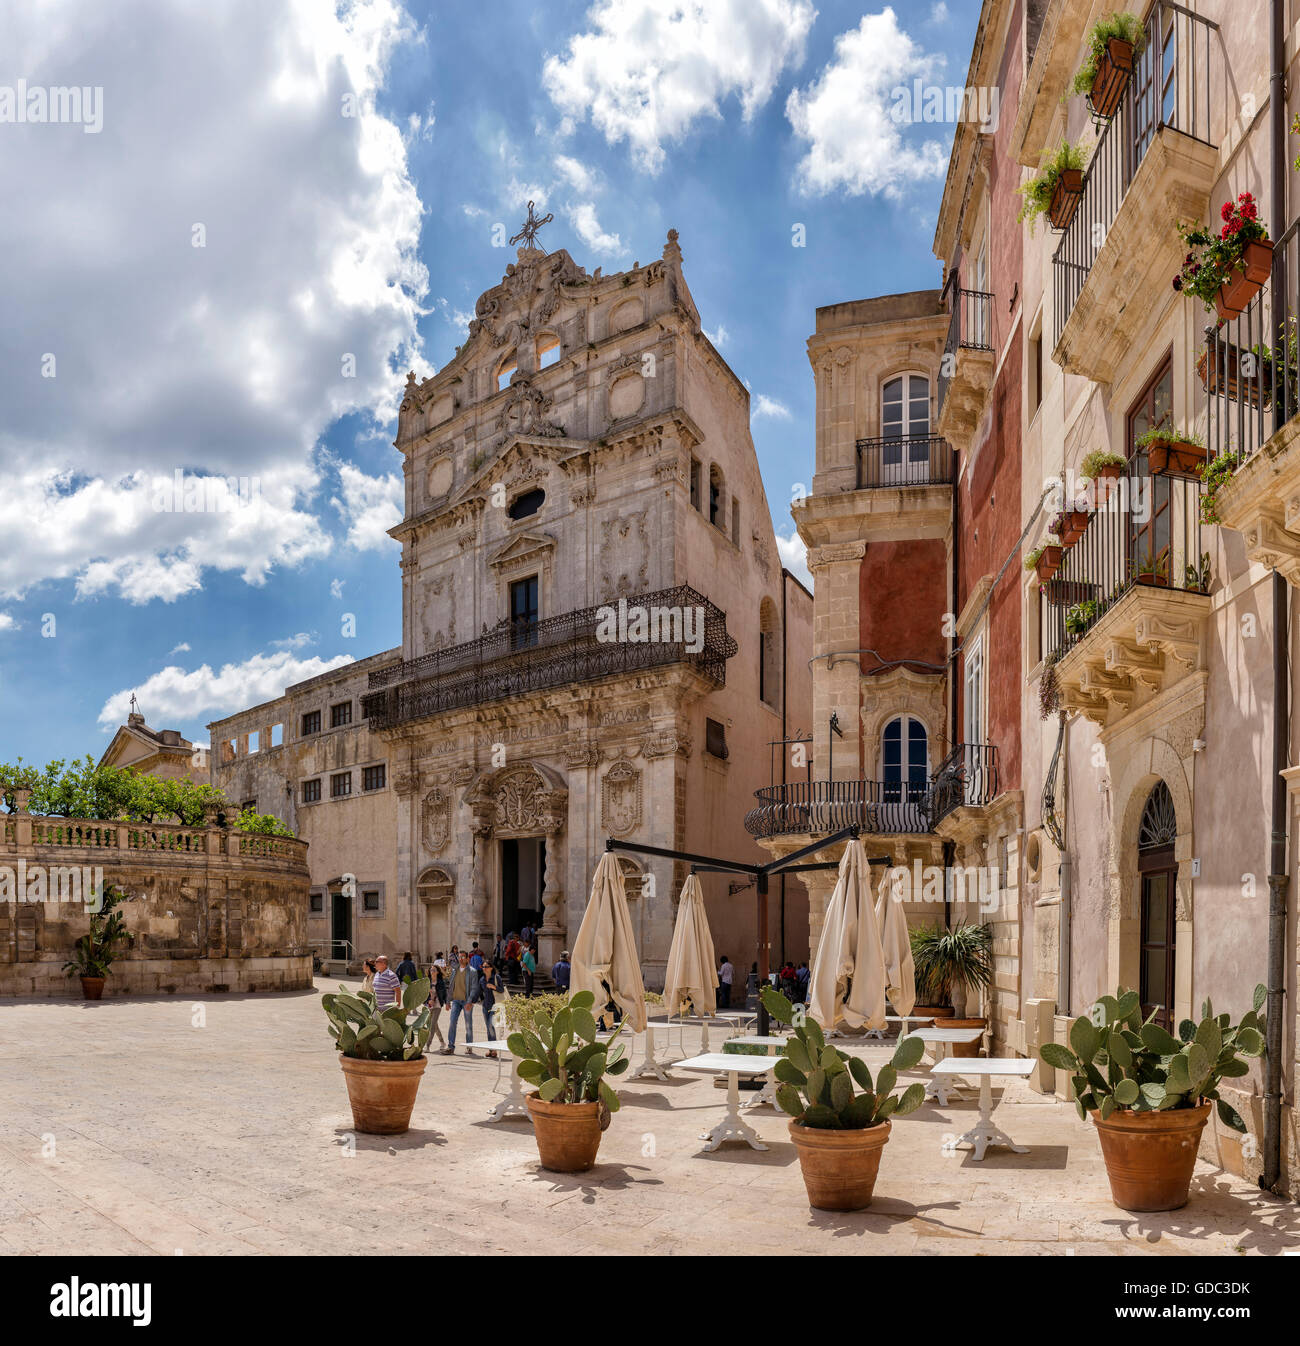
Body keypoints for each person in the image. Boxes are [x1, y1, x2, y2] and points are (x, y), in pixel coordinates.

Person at [442, 950, 477, 1056]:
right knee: (452, 1022)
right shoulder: (454, 971)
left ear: (467, 959)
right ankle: (450, 1046)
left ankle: (469, 1047)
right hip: (456, 1001)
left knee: (468, 1024)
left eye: (463, 957)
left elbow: (474, 988)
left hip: (467, 1001)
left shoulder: (472, 971)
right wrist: (448, 1002)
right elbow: (451, 987)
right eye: (459, 957)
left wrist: (470, 1001)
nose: (461, 959)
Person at [479, 960, 504, 1057]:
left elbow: (501, 990)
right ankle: (491, 1050)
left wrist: (493, 986)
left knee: (490, 1026)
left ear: (491, 968)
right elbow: (479, 991)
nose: (484, 969)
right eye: (483, 967)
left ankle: (494, 1050)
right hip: (485, 1006)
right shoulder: (482, 979)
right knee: (488, 1028)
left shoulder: (496, 977)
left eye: (486, 967)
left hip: (495, 1006)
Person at [425, 966, 447, 1050]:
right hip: (429, 1005)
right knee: (435, 1025)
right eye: (431, 970)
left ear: (437, 972)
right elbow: (423, 994)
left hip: (437, 1005)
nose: (432, 972)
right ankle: (442, 1042)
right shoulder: (427, 982)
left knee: (432, 1025)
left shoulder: (441, 982)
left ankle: (427, 1045)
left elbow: (444, 994)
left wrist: (446, 1002)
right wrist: (428, 1001)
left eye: (434, 970)